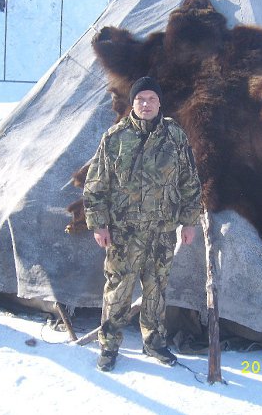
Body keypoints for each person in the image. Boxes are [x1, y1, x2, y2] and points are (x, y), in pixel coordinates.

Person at [83, 76, 202, 372]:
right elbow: (96, 184)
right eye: (140, 99)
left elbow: (189, 181)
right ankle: (109, 345)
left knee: (156, 289)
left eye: (151, 99)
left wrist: (189, 222)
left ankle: (154, 341)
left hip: (162, 232)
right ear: (132, 103)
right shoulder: (115, 138)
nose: (145, 104)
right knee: (118, 289)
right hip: (124, 233)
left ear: (160, 103)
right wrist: (99, 224)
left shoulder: (175, 136)